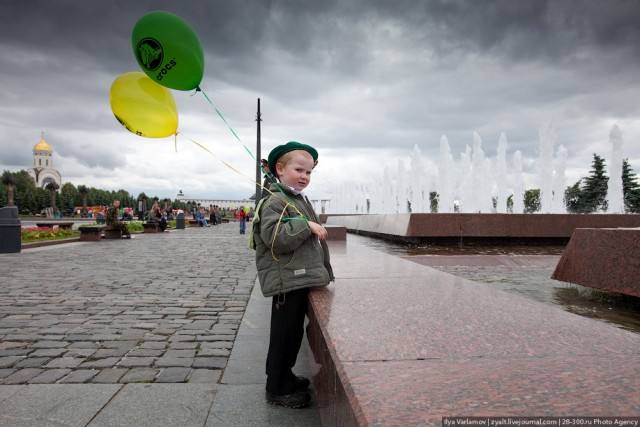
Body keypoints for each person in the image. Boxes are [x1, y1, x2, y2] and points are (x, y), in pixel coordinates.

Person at [250, 141, 334, 409]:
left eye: (309, 172)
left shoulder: (294, 198)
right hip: (288, 280)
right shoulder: (273, 201)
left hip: (298, 277)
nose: (304, 176)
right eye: (299, 170)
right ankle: (276, 388)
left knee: (292, 335)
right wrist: (305, 225)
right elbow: (276, 239)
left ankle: (283, 376)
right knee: (284, 336)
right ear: (279, 169)